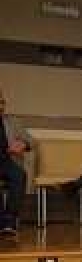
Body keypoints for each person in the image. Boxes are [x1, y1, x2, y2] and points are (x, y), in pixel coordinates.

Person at [0, 88, 33, 234]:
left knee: (19, 175)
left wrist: (24, 144)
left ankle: (9, 220)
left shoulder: (12, 122)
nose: (1, 106)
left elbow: (33, 141)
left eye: (1, 102)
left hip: (8, 161)